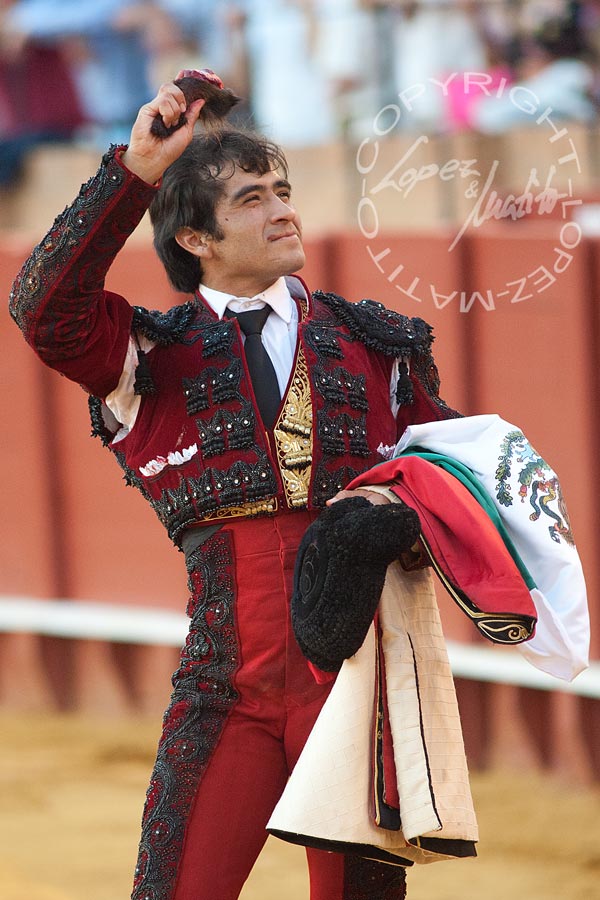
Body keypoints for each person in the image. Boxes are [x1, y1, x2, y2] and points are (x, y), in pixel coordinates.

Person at [9, 78, 461, 900]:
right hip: (225, 691)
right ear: (196, 236)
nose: (284, 211)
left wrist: (396, 517)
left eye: (283, 191)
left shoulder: (377, 345)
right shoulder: (151, 355)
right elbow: (44, 309)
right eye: (253, 199)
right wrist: (133, 170)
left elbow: (463, 483)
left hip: (356, 690)